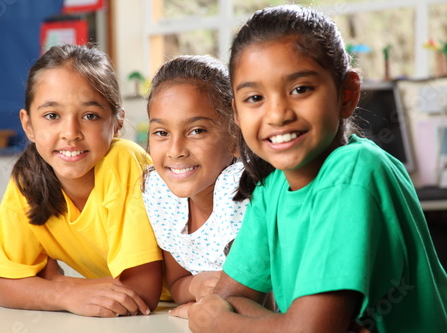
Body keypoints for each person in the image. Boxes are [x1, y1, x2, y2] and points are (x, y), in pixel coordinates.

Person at [188, 5, 447, 333]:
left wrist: (221, 324)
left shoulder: (353, 172)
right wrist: (288, 324)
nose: (278, 114)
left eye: (300, 89)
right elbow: (228, 298)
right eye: (254, 97)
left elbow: (231, 315)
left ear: (347, 93)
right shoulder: (272, 190)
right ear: (236, 115)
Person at [0, 44, 163, 318]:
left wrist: (57, 281)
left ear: (117, 122)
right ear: (28, 124)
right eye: (52, 116)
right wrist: (65, 293)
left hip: (185, 304)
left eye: (90, 116)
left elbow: (142, 292)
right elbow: (1, 283)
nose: (70, 133)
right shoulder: (28, 179)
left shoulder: (123, 161)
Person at [142, 55, 249, 318]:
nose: (176, 150)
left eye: (196, 131)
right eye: (161, 133)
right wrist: (197, 285)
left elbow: (255, 298)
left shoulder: (240, 190)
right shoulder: (159, 192)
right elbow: (179, 284)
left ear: (235, 137)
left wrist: (196, 311)